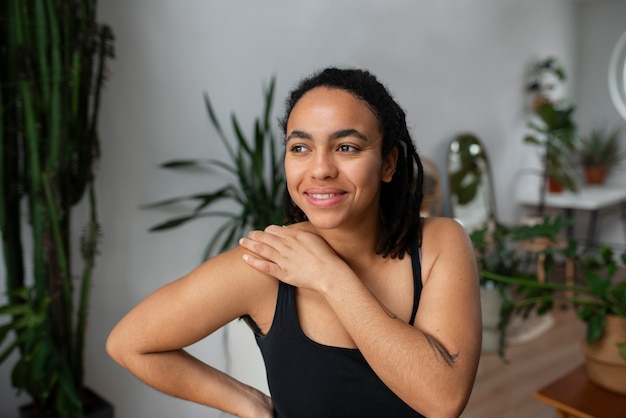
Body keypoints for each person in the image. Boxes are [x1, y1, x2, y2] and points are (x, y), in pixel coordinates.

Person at [106, 67, 482, 418]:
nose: (320, 169)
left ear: (388, 163)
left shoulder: (439, 244)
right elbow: (130, 344)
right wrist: (249, 403)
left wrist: (331, 277)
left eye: (346, 147)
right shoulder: (265, 266)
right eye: (300, 148)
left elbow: (443, 399)